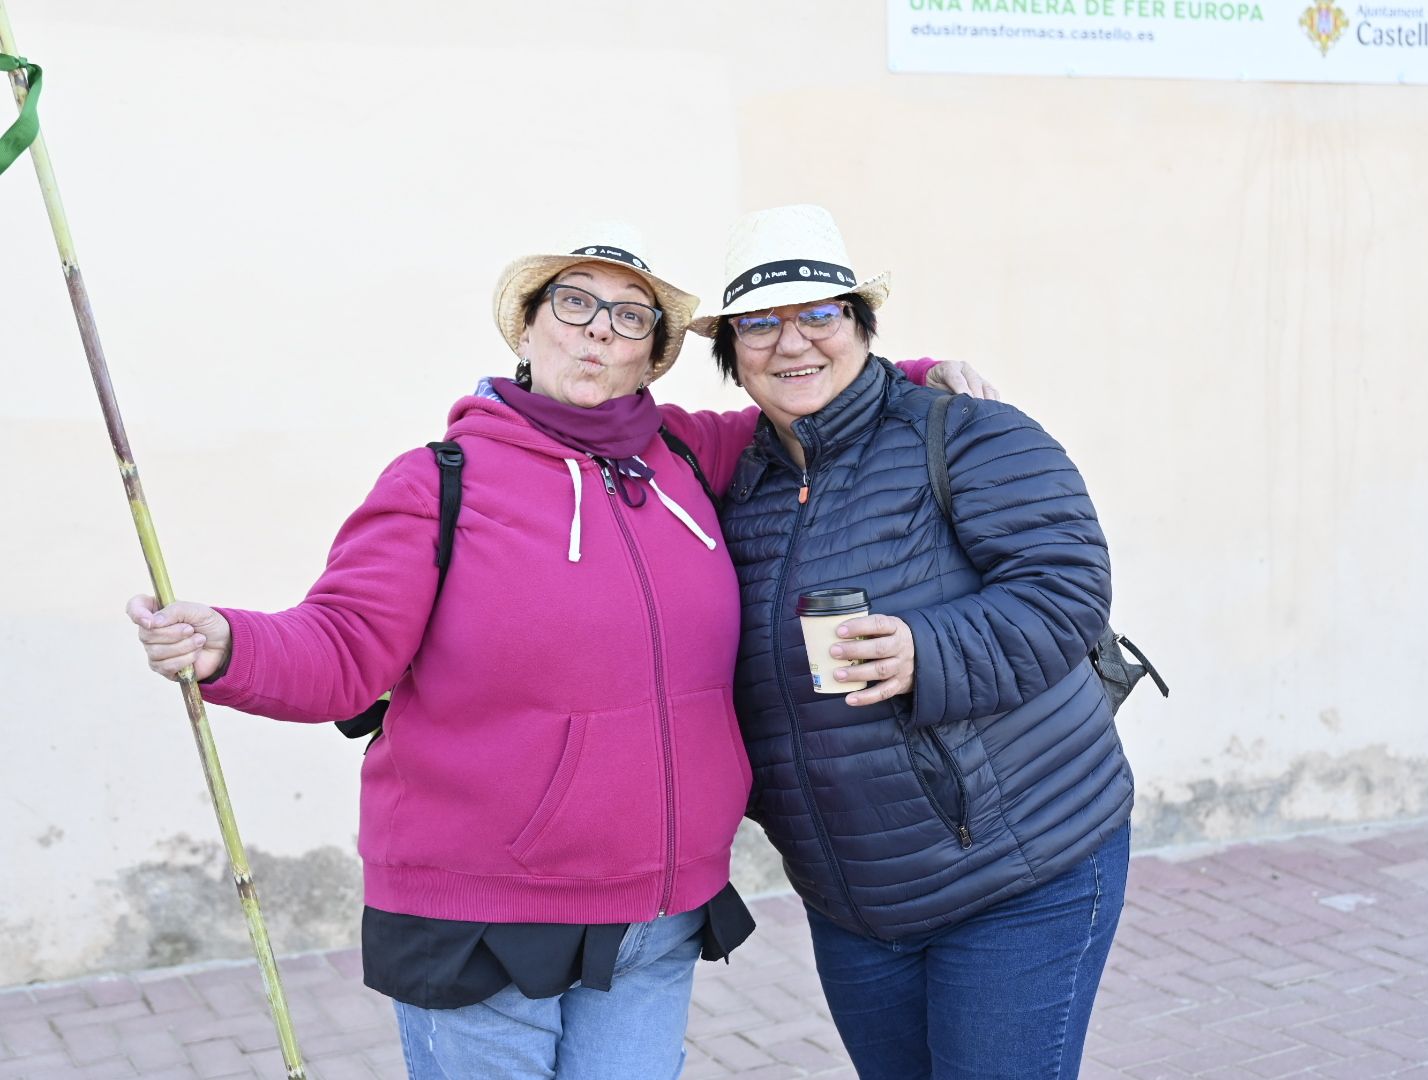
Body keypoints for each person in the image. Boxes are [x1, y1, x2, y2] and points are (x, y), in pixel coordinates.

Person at [125, 223, 987, 1079]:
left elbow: (807, 395)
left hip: (656, 912)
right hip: (485, 915)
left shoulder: (689, 451)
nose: (600, 329)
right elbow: (343, 645)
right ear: (528, 331)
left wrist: (912, 376)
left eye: (631, 317)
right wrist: (233, 643)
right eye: (574, 304)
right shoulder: (439, 480)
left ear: (651, 357)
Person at [694, 204, 1132, 1080]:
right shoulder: (735, 485)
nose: (793, 344)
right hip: (856, 900)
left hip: (1020, 868)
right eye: (760, 323)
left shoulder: (966, 431)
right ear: (731, 353)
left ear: (860, 325)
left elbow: (1066, 589)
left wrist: (925, 652)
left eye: (820, 314)